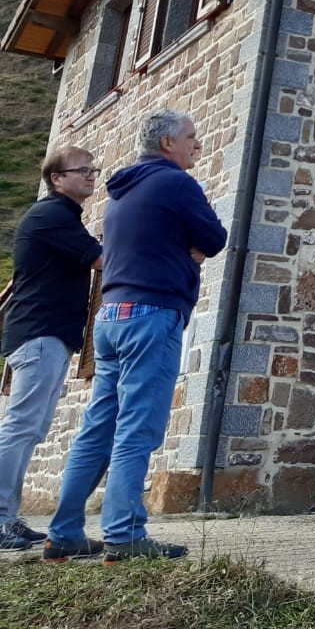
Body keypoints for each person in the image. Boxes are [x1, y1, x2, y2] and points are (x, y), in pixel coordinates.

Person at [46, 110, 227, 564]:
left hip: (110, 319)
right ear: (167, 143)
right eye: (191, 137)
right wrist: (193, 254)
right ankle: (125, 535)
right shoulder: (177, 184)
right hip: (152, 315)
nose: (197, 145)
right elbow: (215, 236)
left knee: (97, 429)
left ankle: (63, 533)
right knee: (136, 431)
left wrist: (185, 250)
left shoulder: (120, 192)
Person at [0, 145, 103, 551]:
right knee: (20, 427)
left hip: (46, 335)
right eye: (82, 171)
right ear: (56, 179)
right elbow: (101, 260)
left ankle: (9, 516)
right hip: (39, 333)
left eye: (94, 170)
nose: (91, 176)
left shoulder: (63, 216)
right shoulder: (52, 216)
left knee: (30, 429)